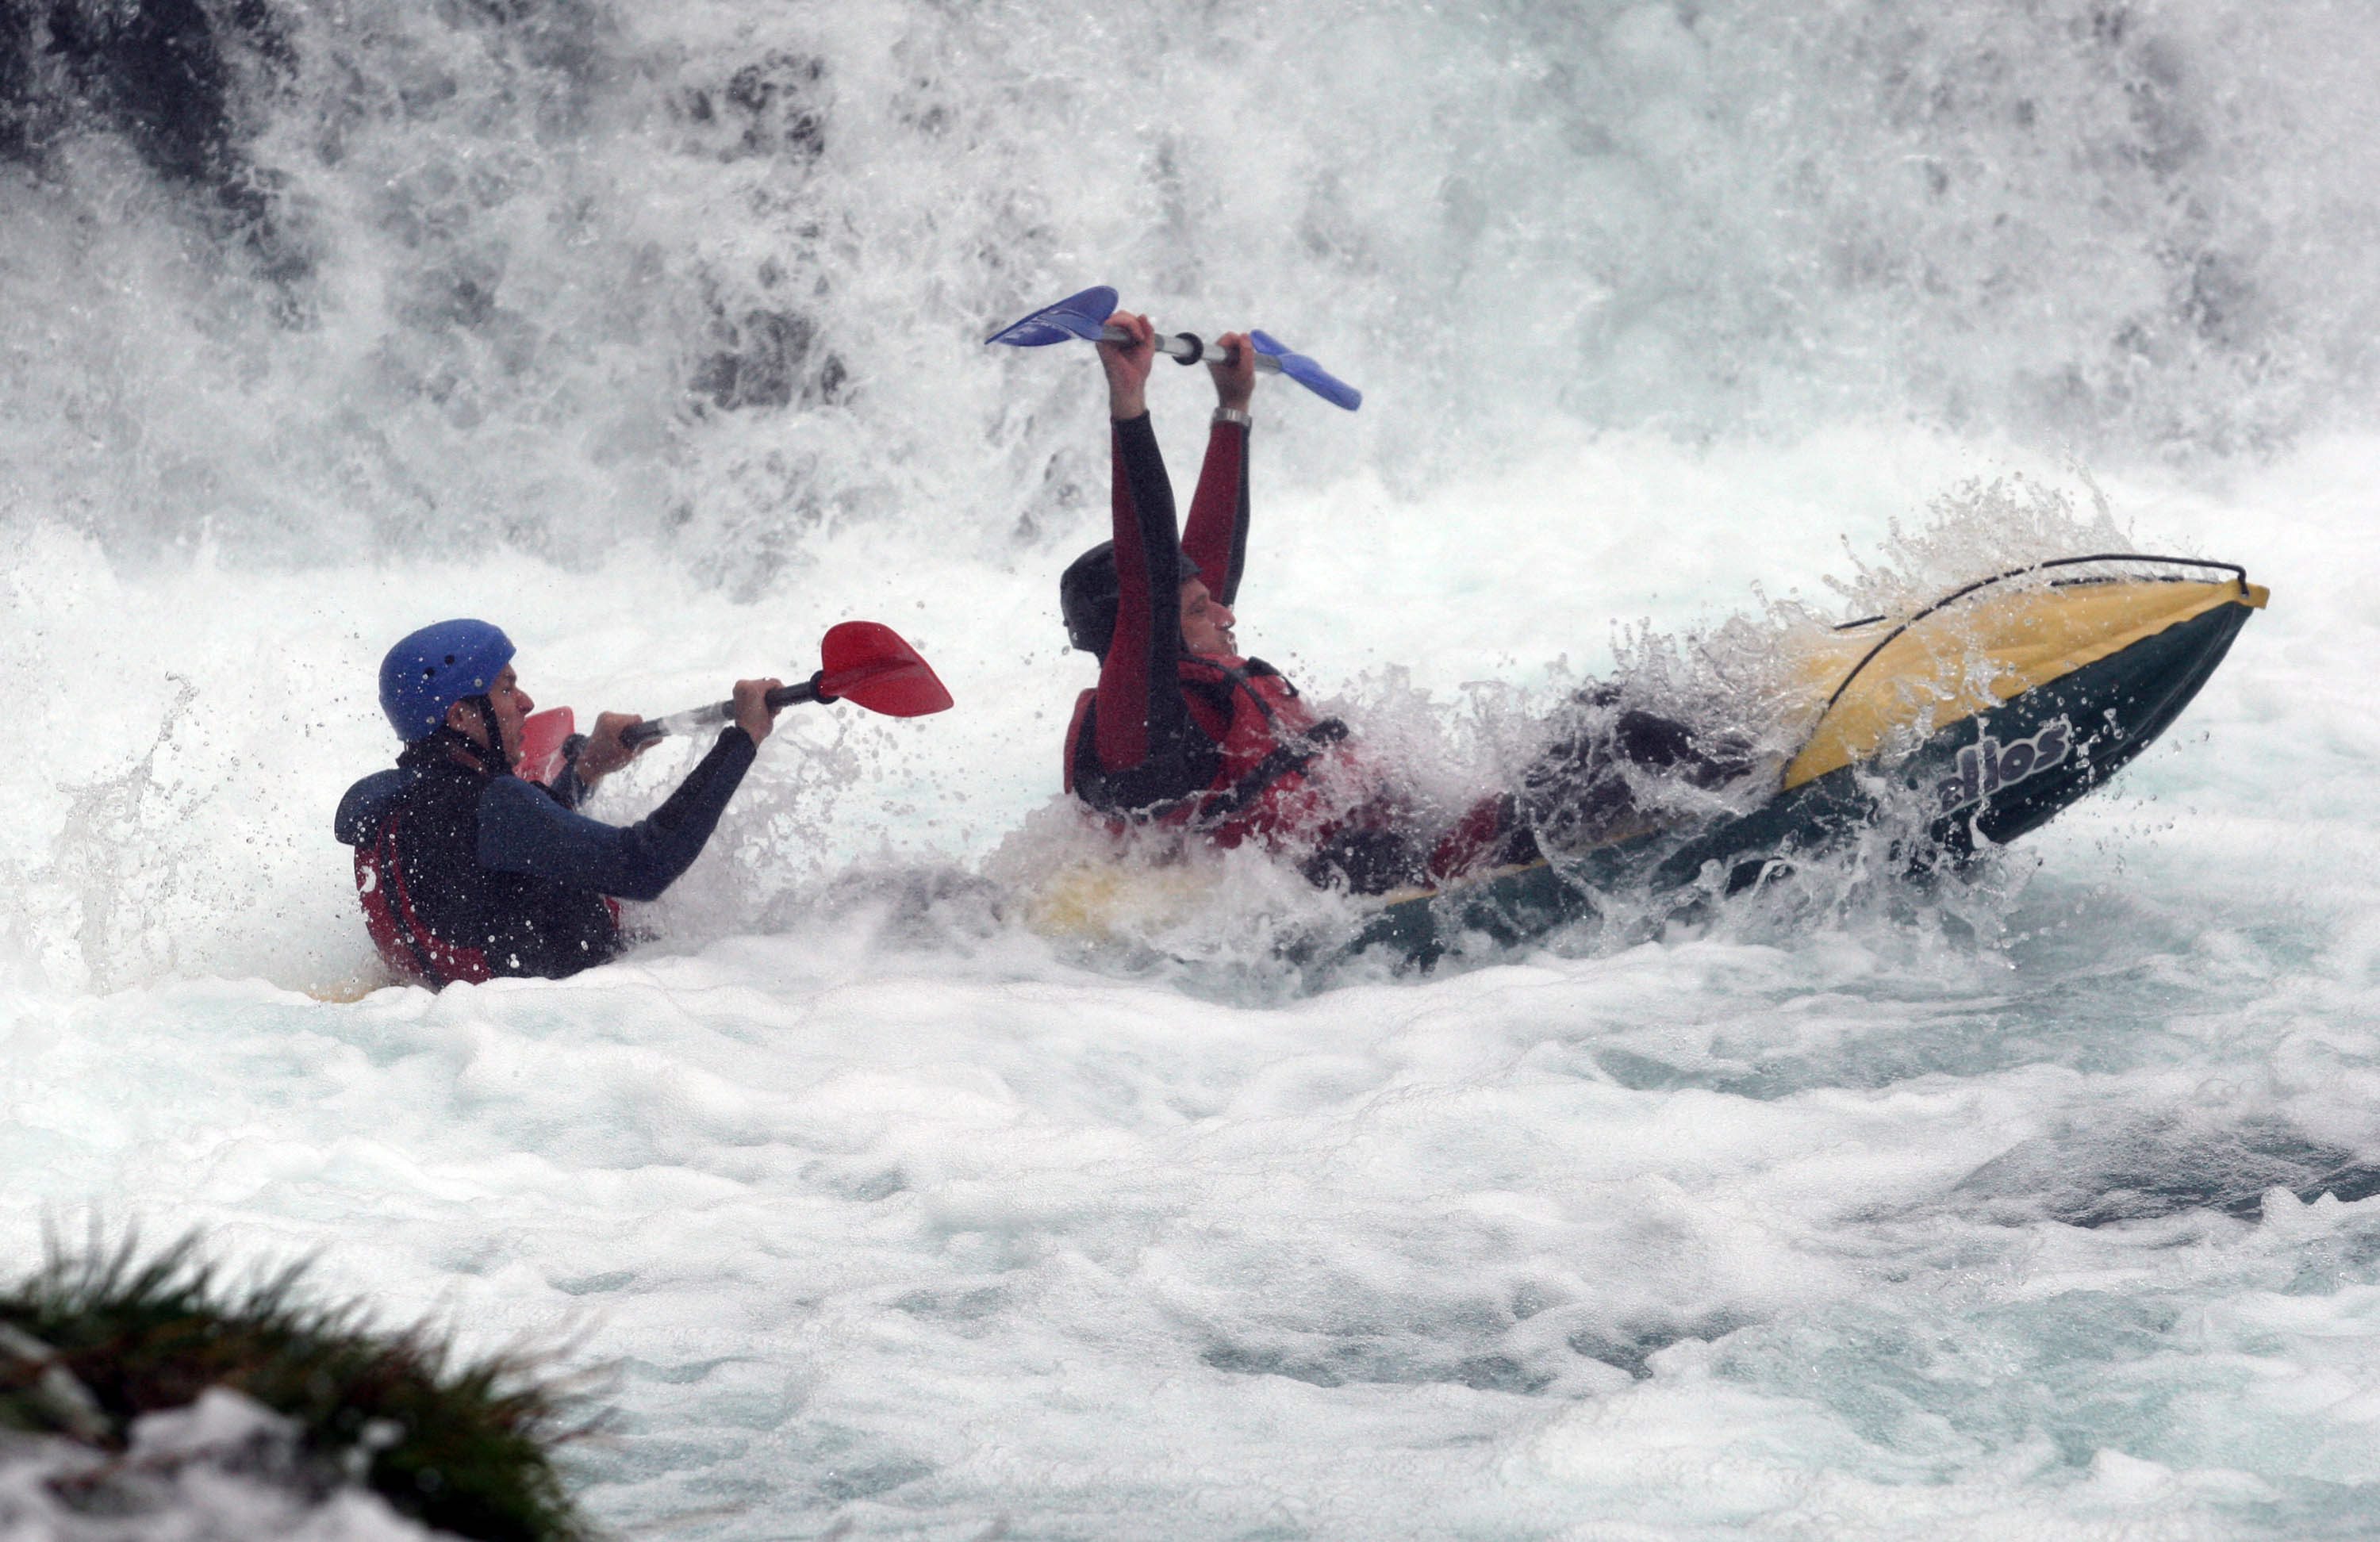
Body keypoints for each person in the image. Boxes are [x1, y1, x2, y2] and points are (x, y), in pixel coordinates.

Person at [1058, 310, 1750, 894]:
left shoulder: (1188, 673)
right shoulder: (1133, 729)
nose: (1227, 614)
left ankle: (1761, 756)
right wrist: (1129, 403)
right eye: (1201, 611)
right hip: (1395, 880)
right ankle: (1781, 791)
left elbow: (1192, 564)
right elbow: (1150, 569)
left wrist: (1232, 409)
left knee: (1603, 712)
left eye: (1213, 601)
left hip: (1425, 841)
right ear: (1139, 637)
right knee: (1629, 738)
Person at [334, 619, 784, 987]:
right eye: (507, 689)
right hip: (579, 1019)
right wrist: (743, 738)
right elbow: (645, 866)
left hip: (476, 1023)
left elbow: (515, 849)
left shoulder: (393, 804)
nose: (527, 703)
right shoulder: (493, 805)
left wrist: (586, 769)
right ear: (461, 716)